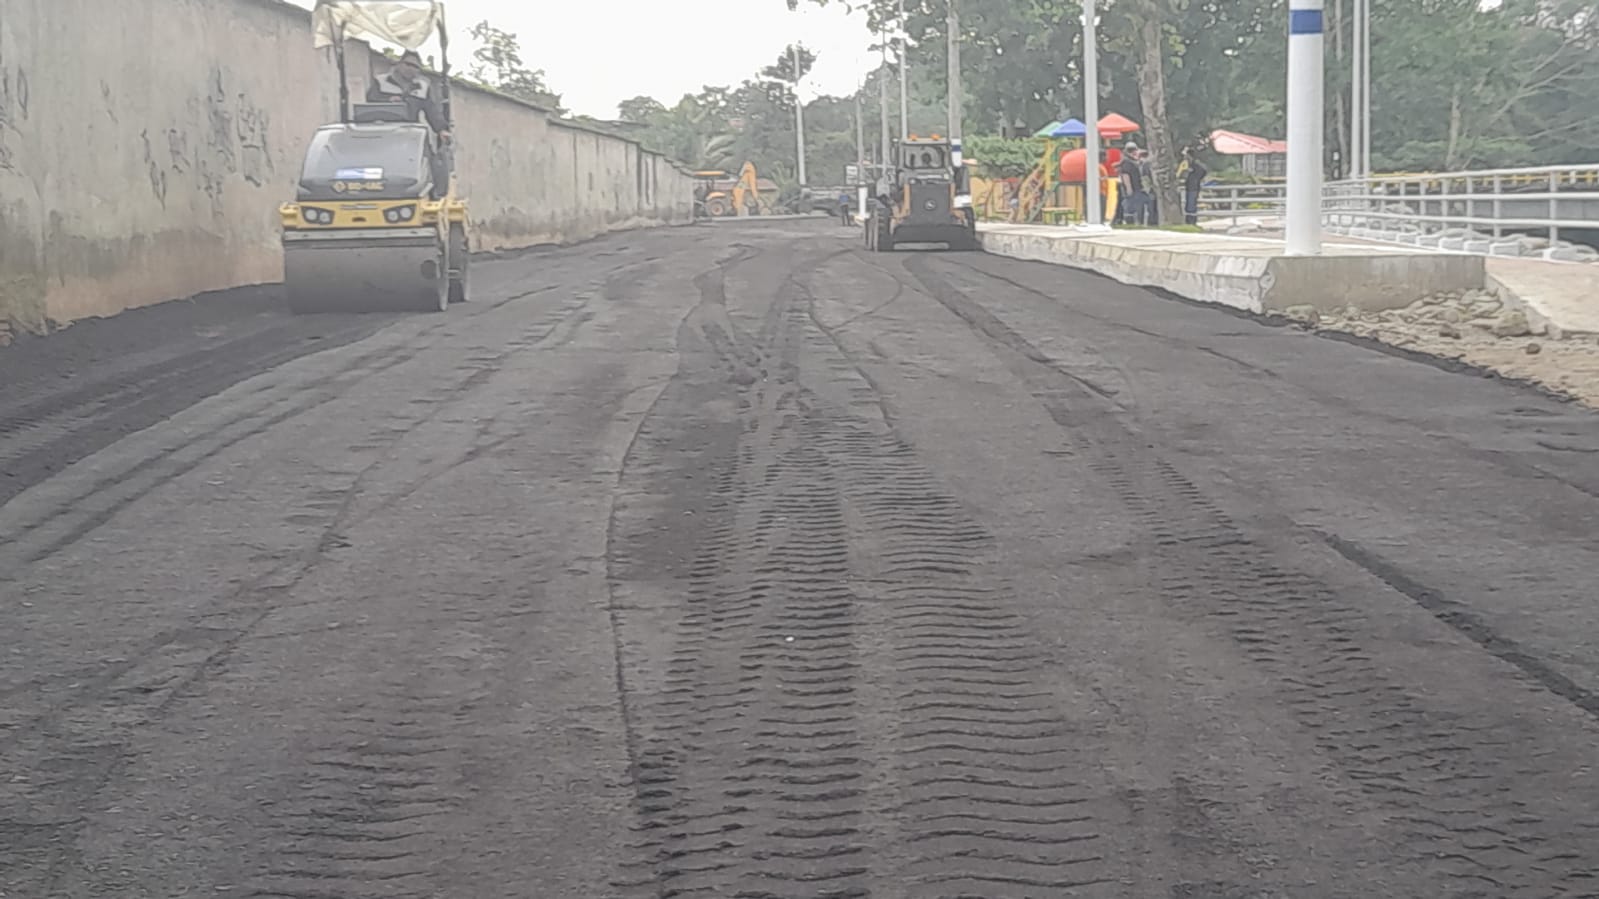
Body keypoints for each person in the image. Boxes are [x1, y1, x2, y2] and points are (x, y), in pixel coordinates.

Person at [368, 50, 450, 140]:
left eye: (415, 66)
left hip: (410, 135)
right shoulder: (381, 81)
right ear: (399, 64)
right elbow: (370, 102)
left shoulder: (422, 88)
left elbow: (432, 111)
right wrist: (388, 100)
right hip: (383, 133)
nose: (411, 68)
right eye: (408, 64)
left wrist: (442, 130)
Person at [1181, 147, 1209, 225]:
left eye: (1186, 155)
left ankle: (1191, 221)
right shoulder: (1189, 165)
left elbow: (1203, 171)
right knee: (1188, 205)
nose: (1184, 157)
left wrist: (1196, 178)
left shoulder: (1195, 165)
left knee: (1191, 205)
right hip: (1189, 187)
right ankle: (1189, 221)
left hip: (1193, 187)